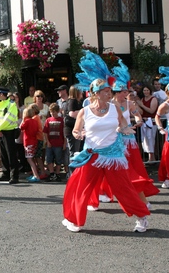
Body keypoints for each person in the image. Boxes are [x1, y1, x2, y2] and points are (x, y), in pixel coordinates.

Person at [62, 51, 150, 233]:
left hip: (113, 155)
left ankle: (142, 217)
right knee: (81, 188)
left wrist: (125, 129)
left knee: (123, 188)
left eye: (109, 91)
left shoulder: (114, 108)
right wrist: (79, 134)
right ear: (95, 94)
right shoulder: (85, 111)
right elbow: (76, 130)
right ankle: (75, 220)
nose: (108, 94)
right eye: (105, 91)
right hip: (92, 154)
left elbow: (123, 124)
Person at [0, 87, 20, 184]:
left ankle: (14, 176)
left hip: (9, 131)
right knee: (3, 154)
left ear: (2, 94)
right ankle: (6, 173)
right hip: (1, 130)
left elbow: (8, 119)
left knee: (11, 154)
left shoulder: (11, 104)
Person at [19, 104, 43, 182]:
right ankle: (35, 174)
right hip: (34, 141)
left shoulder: (27, 121)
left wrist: (23, 119)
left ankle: (36, 175)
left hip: (28, 142)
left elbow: (21, 127)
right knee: (33, 158)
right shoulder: (34, 121)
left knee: (29, 159)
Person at [136, 85, 158, 162]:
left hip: (152, 122)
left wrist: (142, 105)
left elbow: (152, 110)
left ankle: (152, 157)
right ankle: (149, 157)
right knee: (145, 139)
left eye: (147, 90)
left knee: (151, 138)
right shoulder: (142, 99)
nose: (146, 92)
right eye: (144, 90)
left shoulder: (153, 99)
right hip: (144, 122)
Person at [44, 103, 65, 181]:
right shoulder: (48, 120)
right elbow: (45, 132)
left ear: (58, 111)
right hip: (50, 143)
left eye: (54, 112)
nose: (53, 114)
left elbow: (64, 133)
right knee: (49, 159)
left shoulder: (61, 120)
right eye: (51, 112)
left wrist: (64, 143)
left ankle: (57, 173)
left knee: (58, 159)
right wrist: (47, 141)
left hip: (59, 143)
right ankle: (52, 173)